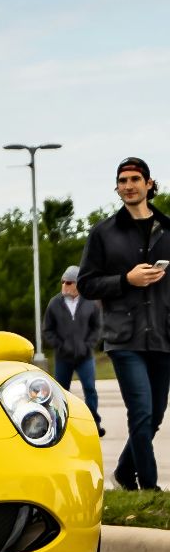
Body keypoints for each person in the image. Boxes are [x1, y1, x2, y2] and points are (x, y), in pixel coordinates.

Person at [77, 157, 170, 489]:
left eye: (134, 179)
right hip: (124, 337)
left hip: (163, 336)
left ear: (148, 184)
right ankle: (149, 486)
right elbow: (86, 284)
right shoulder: (103, 233)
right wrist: (126, 280)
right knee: (141, 411)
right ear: (117, 188)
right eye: (122, 180)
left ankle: (123, 472)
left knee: (154, 415)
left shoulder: (167, 230)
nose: (128, 186)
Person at [42, 265, 104, 436]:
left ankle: (94, 424)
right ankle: (61, 426)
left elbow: (97, 327)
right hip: (63, 357)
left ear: (78, 284)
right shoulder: (54, 303)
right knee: (61, 392)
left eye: (68, 282)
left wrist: (88, 345)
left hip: (85, 357)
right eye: (62, 282)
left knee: (90, 389)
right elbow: (48, 330)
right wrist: (61, 346)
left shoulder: (91, 303)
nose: (64, 285)